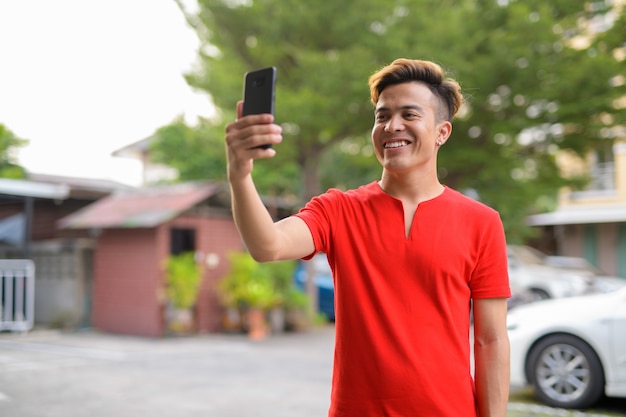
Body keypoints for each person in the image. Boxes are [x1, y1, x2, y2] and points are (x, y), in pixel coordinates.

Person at [224, 58, 511, 417]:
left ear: (442, 132)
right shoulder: (338, 210)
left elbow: (491, 340)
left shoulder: (481, 222)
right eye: (382, 116)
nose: (392, 126)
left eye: (409, 115)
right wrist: (239, 175)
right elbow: (268, 245)